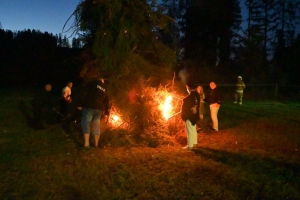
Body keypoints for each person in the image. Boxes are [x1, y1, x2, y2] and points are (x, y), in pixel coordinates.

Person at [77, 77, 109, 149]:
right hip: (98, 109)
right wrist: (106, 112)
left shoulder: (92, 83)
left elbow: (84, 92)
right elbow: (106, 101)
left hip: (89, 106)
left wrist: (79, 103)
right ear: (102, 81)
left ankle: (86, 145)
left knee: (86, 124)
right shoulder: (104, 88)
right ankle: (96, 144)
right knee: (96, 125)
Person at [181, 82, 200, 150]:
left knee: (189, 131)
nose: (187, 89)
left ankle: (190, 146)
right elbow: (196, 102)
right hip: (194, 116)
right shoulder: (196, 94)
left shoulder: (190, 96)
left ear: (188, 88)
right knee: (193, 130)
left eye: (187, 88)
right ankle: (194, 143)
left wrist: (184, 116)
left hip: (189, 116)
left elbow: (194, 102)